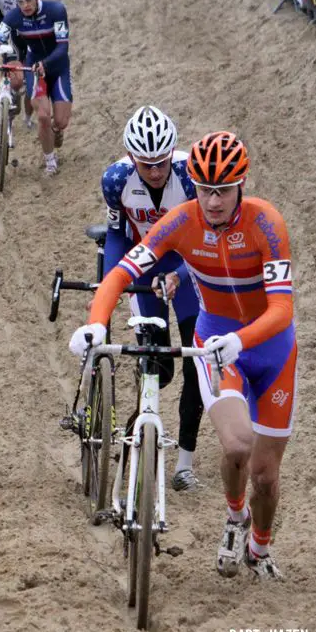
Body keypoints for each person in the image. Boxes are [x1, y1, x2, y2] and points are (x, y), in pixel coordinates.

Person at [70, 132, 296, 581]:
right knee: (236, 448)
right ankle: (235, 521)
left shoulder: (267, 222)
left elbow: (282, 308)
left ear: (241, 185)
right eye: (205, 189)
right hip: (216, 343)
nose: (213, 201)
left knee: (266, 476)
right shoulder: (178, 222)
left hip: (270, 349)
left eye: (224, 190)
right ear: (193, 183)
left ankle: (260, 546)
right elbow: (121, 273)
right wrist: (97, 322)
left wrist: (243, 339)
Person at [101, 106, 204, 492]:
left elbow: (206, 240)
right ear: (132, 159)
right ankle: (146, 420)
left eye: (161, 162)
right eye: (146, 165)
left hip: (187, 262)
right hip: (143, 259)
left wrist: (179, 275)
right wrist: (116, 282)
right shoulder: (115, 180)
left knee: (196, 359)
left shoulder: (191, 177)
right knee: (160, 368)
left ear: (172, 152)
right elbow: (116, 235)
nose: (156, 171)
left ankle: (185, 463)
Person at [0, 0, 70, 176]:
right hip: (34, 67)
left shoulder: (57, 10)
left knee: (60, 122)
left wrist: (46, 63)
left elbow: (63, 47)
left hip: (57, 66)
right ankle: (50, 161)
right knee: (43, 115)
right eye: (20, 1)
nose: (25, 5)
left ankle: (57, 130)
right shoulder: (14, 17)